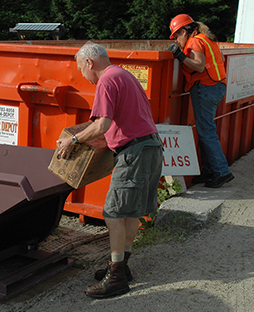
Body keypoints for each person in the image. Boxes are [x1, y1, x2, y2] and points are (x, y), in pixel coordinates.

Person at [57, 41, 163, 298]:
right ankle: (122, 265)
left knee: (113, 213)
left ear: (89, 63)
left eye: (81, 68)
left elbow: (102, 124)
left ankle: (115, 277)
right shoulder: (124, 74)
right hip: (151, 147)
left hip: (134, 153)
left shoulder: (106, 80)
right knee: (130, 212)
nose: (83, 74)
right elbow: (126, 119)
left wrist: (73, 140)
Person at [168, 14, 234, 188]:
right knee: (206, 130)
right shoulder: (207, 39)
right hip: (217, 86)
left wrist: (180, 56)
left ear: (184, 31)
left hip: (205, 88)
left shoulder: (195, 41)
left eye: (176, 36)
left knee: (206, 132)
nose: (176, 40)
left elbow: (199, 65)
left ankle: (221, 172)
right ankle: (209, 170)